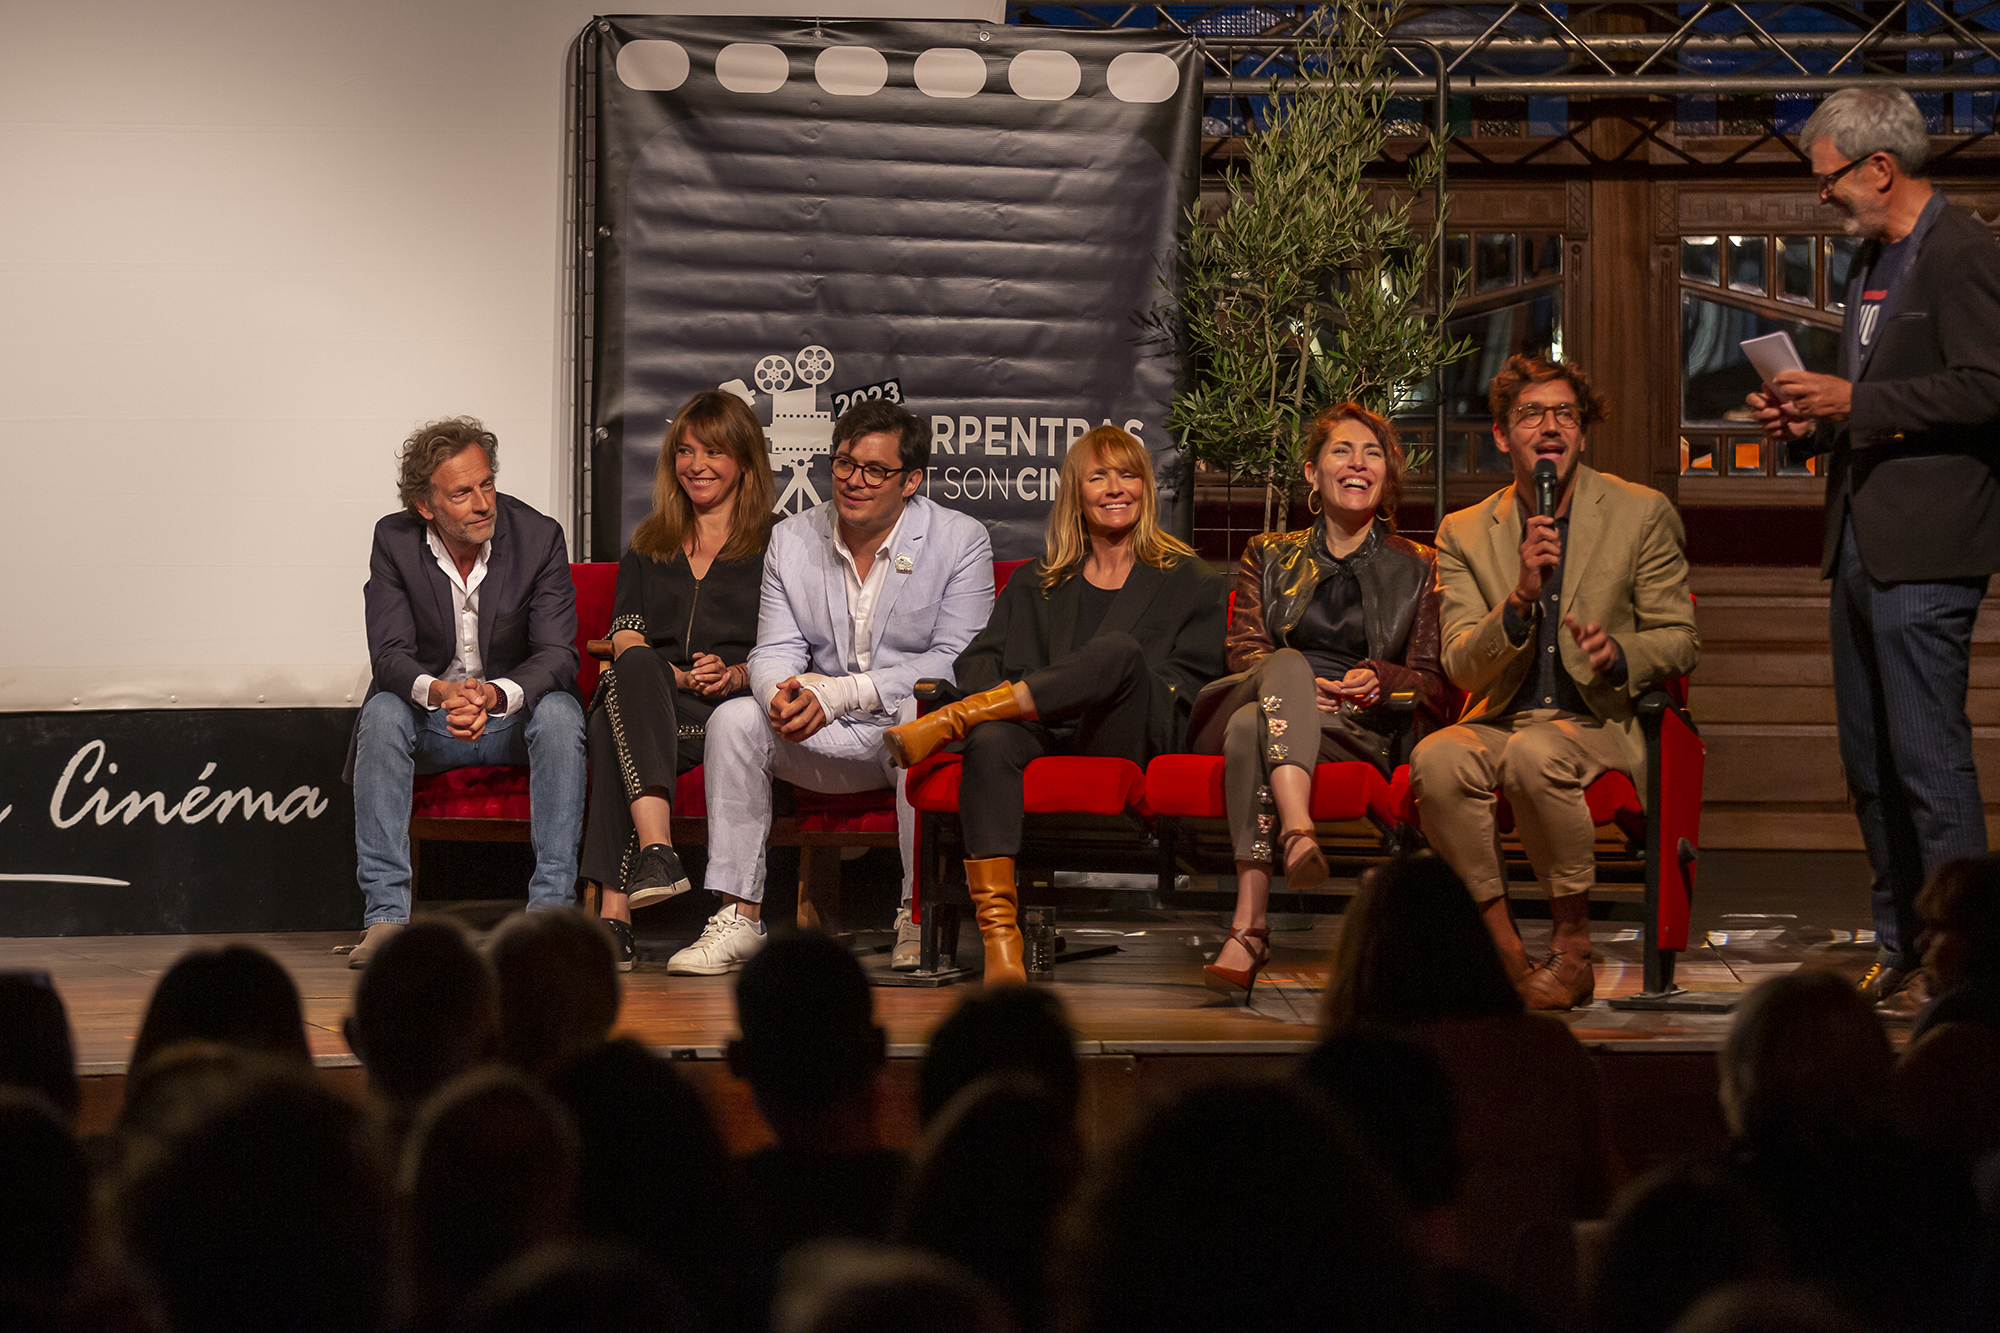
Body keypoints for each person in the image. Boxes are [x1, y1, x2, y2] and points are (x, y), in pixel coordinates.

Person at [1747, 87, 2000, 1016]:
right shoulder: (1870, 262)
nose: (1822, 197)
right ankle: (1902, 946)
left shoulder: (1967, 254)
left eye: (1828, 179)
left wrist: (1856, 405)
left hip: (1928, 548)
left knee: (1930, 765)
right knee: (1871, 762)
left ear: (1880, 167)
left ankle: (1966, 964)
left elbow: (1987, 386)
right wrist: (1807, 420)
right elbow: (1873, 398)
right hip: (1856, 538)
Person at [882, 425, 1225, 983]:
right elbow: (977, 662)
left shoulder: (1192, 580)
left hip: (1122, 732)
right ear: (1075, 493)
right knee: (992, 740)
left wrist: (1104, 683)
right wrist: (1034, 694)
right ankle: (1000, 942)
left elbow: (1195, 685)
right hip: (1042, 732)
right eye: (1098, 477)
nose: (1116, 489)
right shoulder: (1037, 581)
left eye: (1129, 475)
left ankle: (955, 720)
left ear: (1146, 488)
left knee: (1118, 653)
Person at [1411, 356, 1700, 1009]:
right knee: (1436, 755)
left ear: (1583, 432)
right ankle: (1506, 951)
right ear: (1502, 434)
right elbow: (1458, 662)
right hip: (1504, 715)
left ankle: (1573, 949)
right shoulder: (1463, 530)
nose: (1550, 426)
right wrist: (1517, 600)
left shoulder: (1639, 512)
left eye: (1565, 414)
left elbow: (1682, 638)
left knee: (1536, 753)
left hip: (1600, 720)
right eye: (1532, 415)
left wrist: (1619, 649)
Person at [687, 401, 993, 976]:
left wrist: (839, 694)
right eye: (845, 464)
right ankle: (737, 915)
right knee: (734, 720)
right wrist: (782, 694)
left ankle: (915, 915)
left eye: (875, 470)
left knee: (915, 707)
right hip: (826, 736)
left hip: (909, 735)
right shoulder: (792, 538)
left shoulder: (960, 540)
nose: (855, 481)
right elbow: (774, 649)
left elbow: (956, 662)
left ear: (911, 482)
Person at [1186, 403, 1447, 996]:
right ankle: (1298, 828)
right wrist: (1297, 683)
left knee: (1255, 726)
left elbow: (1432, 679)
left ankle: (1249, 927)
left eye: (1372, 454)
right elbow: (1243, 649)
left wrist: (1384, 675)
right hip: (1254, 691)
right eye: (1341, 451)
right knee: (1282, 668)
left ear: (1387, 477)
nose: (1357, 464)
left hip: (1348, 730)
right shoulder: (1268, 552)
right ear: (1311, 472)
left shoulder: (1420, 567)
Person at [345, 416, 585, 968]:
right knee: (381, 714)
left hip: (512, 717)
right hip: (433, 719)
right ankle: (385, 917)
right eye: (461, 493)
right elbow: (389, 657)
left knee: (563, 716)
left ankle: (549, 914)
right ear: (425, 505)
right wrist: (444, 694)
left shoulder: (538, 536)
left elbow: (557, 653)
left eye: (487, 484)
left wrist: (494, 697)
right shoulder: (394, 540)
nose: (482, 503)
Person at [1321, 855, 1615, 1291]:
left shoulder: (1347, 1072)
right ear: (1473, 943)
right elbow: (1603, 1203)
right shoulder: (1552, 1051)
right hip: (1534, 1310)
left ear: (1364, 955)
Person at [583, 390, 774, 970]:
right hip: (656, 698)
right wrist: (678, 677)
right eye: (685, 451)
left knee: (609, 726)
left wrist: (736, 672)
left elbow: (795, 642)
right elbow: (625, 633)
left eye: (713, 451)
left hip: (729, 715)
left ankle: (615, 913)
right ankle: (658, 851)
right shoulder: (651, 542)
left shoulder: (778, 541)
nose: (696, 465)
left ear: (744, 460)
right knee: (630, 673)